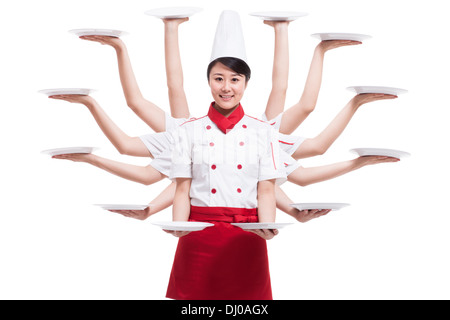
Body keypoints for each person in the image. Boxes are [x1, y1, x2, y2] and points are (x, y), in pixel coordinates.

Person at [49, 12, 399, 223]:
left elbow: (272, 183)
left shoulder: (265, 133)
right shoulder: (185, 130)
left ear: (246, 84)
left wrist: (358, 145)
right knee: (168, 100)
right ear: (209, 83)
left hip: (246, 227)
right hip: (202, 227)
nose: (227, 87)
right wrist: (90, 119)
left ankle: (282, 28)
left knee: (297, 108)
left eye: (235, 79)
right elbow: (175, 182)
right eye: (219, 78)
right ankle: (179, 24)